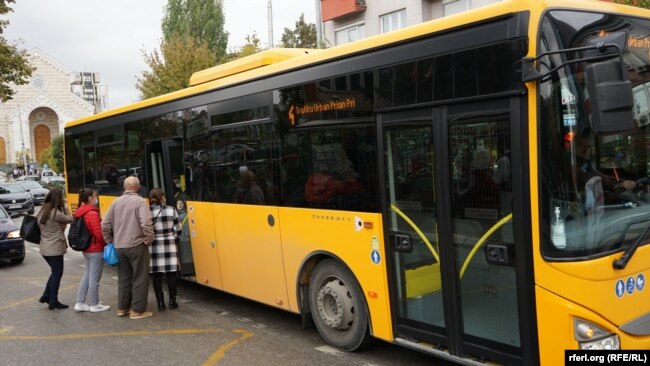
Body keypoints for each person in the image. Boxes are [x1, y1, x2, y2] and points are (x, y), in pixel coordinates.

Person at [101, 176, 155, 319]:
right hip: (137, 245)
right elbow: (146, 223)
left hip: (119, 246)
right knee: (140, 278)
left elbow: (104, 224)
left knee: (124, 278)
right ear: (137, 188)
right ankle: (137, 310)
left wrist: (110, 240)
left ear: (124, 188)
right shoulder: (140, 202)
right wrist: (149, 239)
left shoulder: (115, 202)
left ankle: (122, 308)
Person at [73, 188, 111, 313]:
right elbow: (98, 234)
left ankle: (80, 302)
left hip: (86, 248)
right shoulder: (92, 213)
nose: (96, 199)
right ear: (90, 198)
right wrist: (106, 243)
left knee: (87, 275)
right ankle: (94, 304)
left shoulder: (80, 212)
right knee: (94, 278)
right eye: (95, 196)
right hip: (95, 249)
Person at [37, 188, 73, 310]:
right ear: (58, 199)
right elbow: (70, 219)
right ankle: (53, 301)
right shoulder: (55, 213)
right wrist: (66, 208)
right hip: (55, 248)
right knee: (57, 274)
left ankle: (46, 296)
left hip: (44, 248)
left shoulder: (42, 212)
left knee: (54, 273)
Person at [149, 188, 182, 311]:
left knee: (156, 275)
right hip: (169, 242)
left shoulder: (148, 212)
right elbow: (178, 229)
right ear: (162, 197)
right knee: (171, 273)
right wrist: (174, 237)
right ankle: (172, 301)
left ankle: (160, 303)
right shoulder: (171, 210)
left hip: (154, 244)